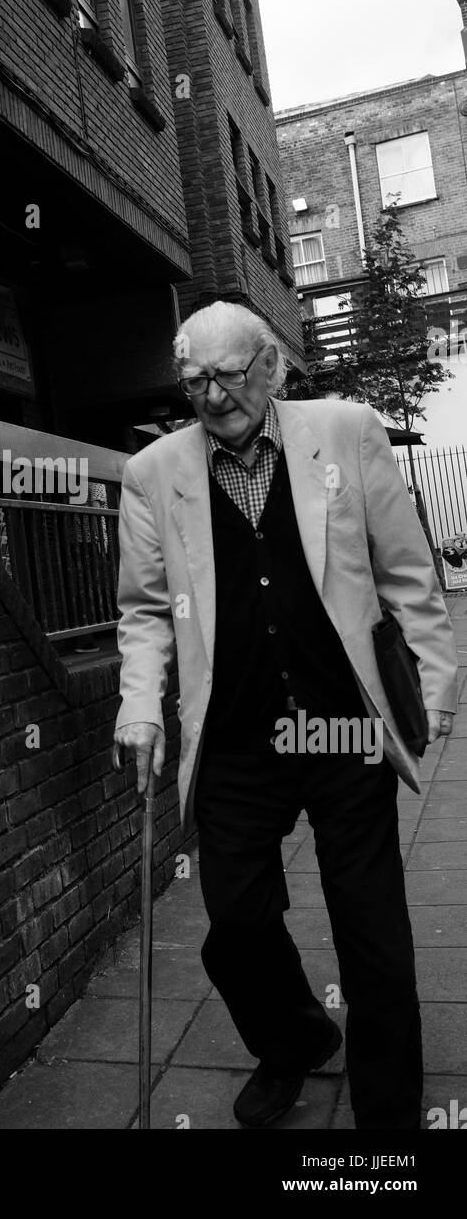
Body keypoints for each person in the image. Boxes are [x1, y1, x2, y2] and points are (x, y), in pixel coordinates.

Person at [112, 301, 458, 1130]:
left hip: (345, 728)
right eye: (195, 380)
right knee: (236, 925)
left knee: (372, 932)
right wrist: (138, 707)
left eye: (230, 375)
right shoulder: (153, 473)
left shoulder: (343, 431)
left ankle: (388, 1123)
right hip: (234, 739)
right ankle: (295, 1038)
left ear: (271, 365)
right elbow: (145, 611)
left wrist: (435, 683)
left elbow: (407, 571)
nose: (213, 395)